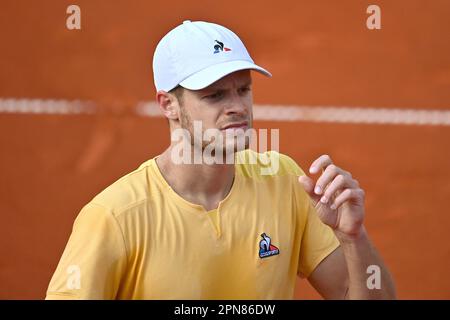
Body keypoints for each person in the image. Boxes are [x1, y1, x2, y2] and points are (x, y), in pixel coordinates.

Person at [46, 20, 396, 299]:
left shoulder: (284, 181)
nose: (237, 107)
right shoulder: (114, 217)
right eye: (215, 95)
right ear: (168, 104)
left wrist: (353, 238)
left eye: (243, 90)